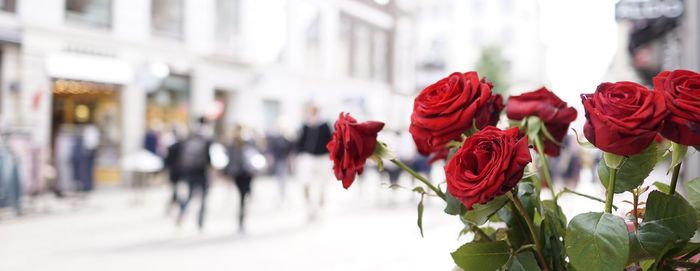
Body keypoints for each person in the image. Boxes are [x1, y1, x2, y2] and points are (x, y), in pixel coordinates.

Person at [296, 104, 332, 220]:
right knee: (305, 183)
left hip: (322, 157)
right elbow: (300, 142)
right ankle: (309, 207)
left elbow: (331, 140)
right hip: (308, 157)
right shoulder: (305, 125)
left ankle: (320, 208)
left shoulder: (325, 125)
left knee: (322, 184)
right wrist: (299, 154)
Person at [176, 117, 212, 230]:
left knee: (190, 195)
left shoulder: (191, 135)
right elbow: (210, 157)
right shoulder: (207, 137)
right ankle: (200, 220)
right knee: (204, 197)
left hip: (191, 170)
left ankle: (183, 213)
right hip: (202, 171)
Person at [224, 124, 257, 233]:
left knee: (242, 195)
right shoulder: (244, 141)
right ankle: (241, 216)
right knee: (243, 194)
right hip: (244, 172)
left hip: (240, 172)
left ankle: (241, 215)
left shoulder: (234, 142)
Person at [265, 125, 293, 202]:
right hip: (277, 160)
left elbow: (290, 151)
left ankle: (283, 193)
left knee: (283, 177)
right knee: (278, 177)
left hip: (283, 161)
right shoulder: (275, 140)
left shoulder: (287, 140)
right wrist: (270, 158)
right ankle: (280, 193)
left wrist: (290, 160)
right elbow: (271, 150)